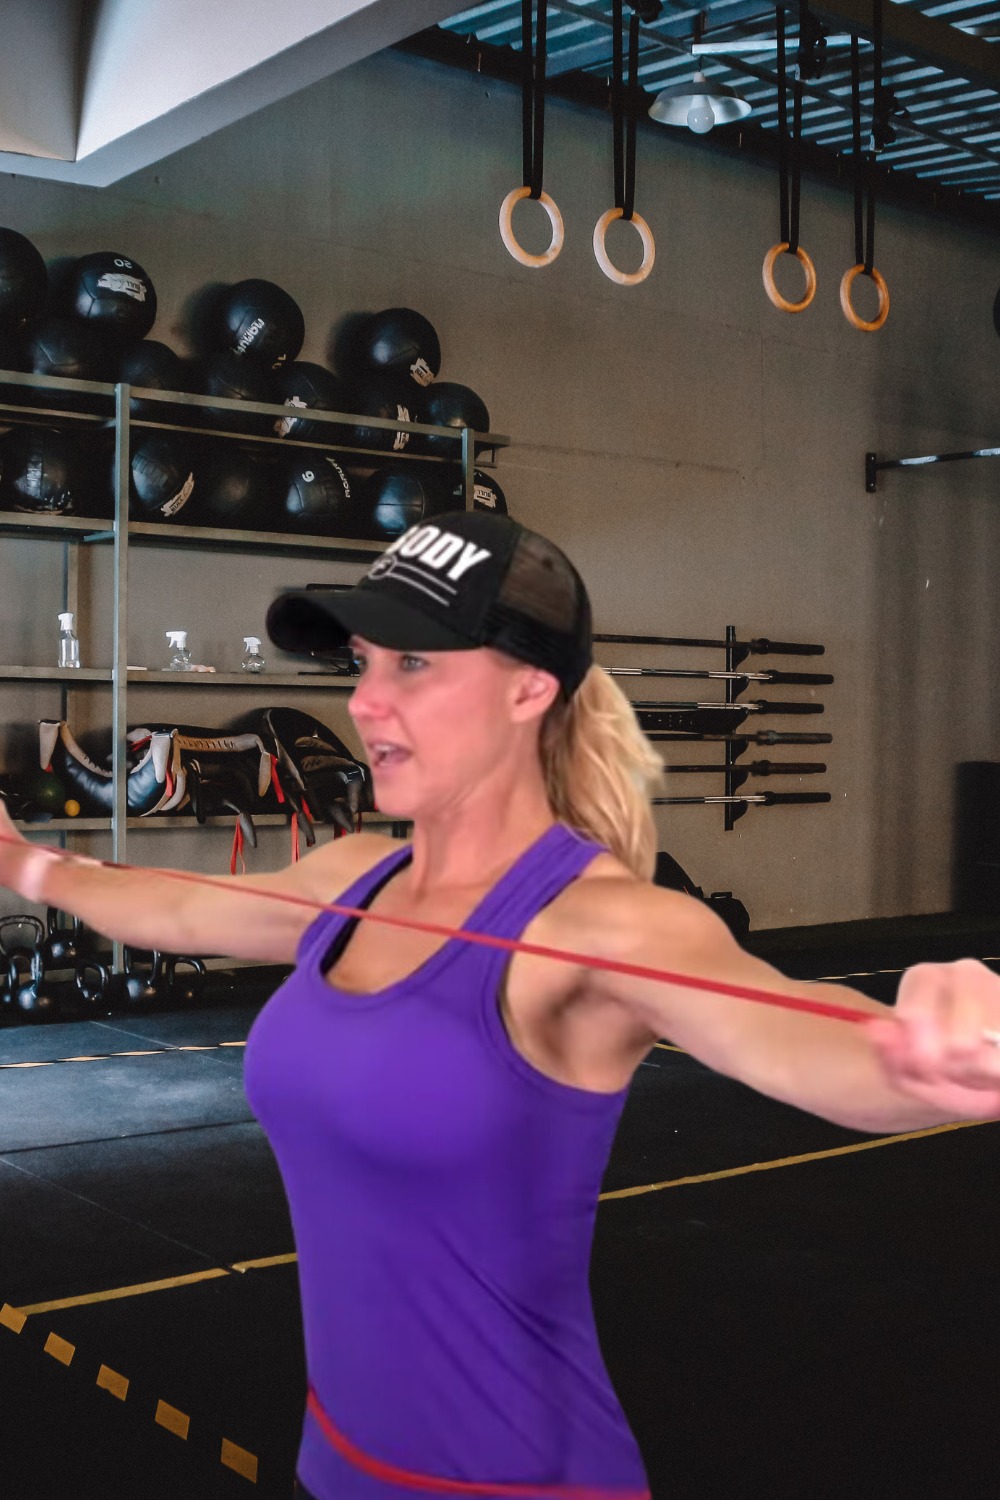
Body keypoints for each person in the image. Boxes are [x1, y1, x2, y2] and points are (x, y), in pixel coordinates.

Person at [3, 510, 1000, 1500]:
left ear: (530, 688)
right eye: (363, 663)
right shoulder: (353, 880)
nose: (364, 703)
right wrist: (24, 862)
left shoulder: (600, 924)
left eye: (415, 667)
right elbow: (181, 903)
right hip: (337, 1465)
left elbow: (795, 1034)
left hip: (521, 1481)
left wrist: (927, 1051)